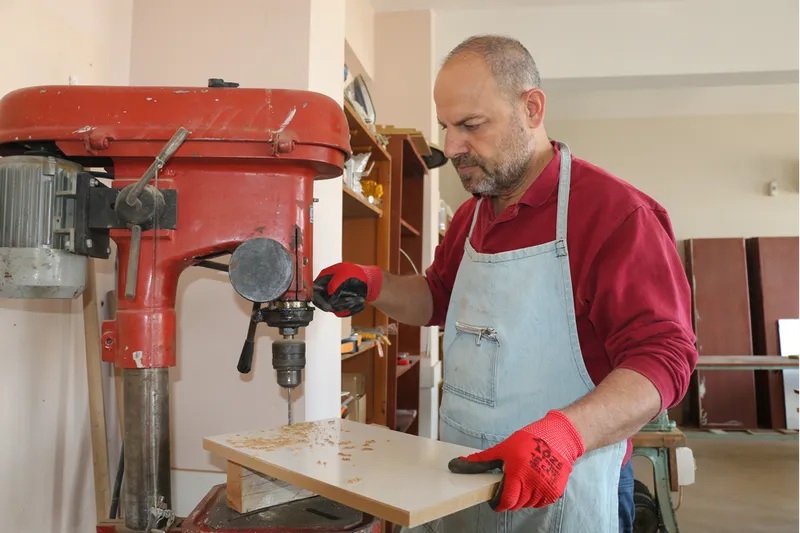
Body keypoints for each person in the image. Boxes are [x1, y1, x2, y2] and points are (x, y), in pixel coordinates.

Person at [312, 35, 697, 533]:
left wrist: (564, 435)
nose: (452, 147)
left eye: (471, 125)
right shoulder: (472, 217)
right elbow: (437, 298)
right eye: (447, 127)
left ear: (531, 108)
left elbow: (664, 360)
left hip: (569, 484)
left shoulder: (616, 215)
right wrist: (374, 284)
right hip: (461, 475)